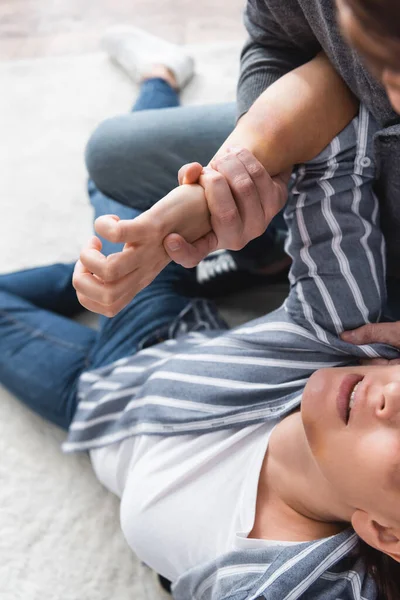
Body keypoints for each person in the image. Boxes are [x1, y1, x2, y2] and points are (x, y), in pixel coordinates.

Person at [2, 44, 400, 599]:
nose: (396, 397)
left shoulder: (290, 587)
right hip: (158, 338)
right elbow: (339, 135)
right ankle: (160, 76)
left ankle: (238, 260)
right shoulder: (345, 334)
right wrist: (207, 199)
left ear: (388, 532)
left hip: (92, 406)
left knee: (111, 221)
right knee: (122, 211)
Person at [76, 0, 400, 346]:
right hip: (335, 131)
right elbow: (279, 41)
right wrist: (231, 176)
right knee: (112, 154)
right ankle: (268, 257)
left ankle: (159, 78)